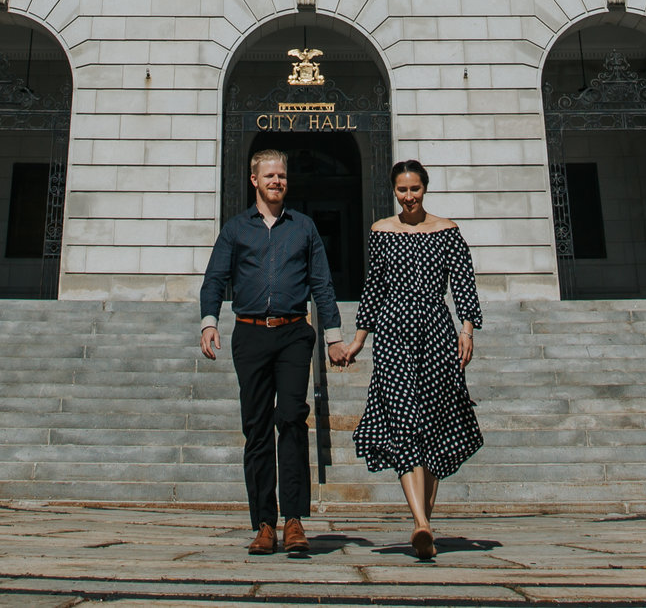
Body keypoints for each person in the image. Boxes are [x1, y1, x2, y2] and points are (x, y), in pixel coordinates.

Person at [330, 159, 483, 563]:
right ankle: (420, 521)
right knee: (402, 421)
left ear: (425, 188)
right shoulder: (382, 231)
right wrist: (358, 340)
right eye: (402, 190)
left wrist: (466, 331)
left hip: (435, 331)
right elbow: (373, 288)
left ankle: (424, 525)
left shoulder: (447, 231)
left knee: (432, 423)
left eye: (414, 189)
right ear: (393, 191)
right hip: (394, 333)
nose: (409, 196)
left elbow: (464, 283)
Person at [200, 146, 346, 557]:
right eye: (269, 176)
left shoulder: (304, 228)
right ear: (254, 181)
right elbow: (214, 279)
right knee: (257, 428)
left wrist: (333, 336)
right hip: (250, 336)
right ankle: (264, 523)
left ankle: (295, 520)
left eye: (281, 176)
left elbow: (322, 283)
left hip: (293, 333)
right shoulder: (235, 230)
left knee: (293, 420)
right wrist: (208, 321)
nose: (277, 182)